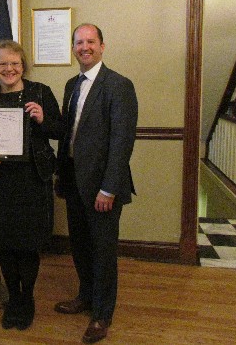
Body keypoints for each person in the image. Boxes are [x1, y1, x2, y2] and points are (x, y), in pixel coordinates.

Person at [54, 24, 138, 344]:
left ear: (102, 46)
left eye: (90, 41)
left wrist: (109, 187)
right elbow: (68, 136)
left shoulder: (119, 86)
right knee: (80, 245)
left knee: (103, 251)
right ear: (73, 48)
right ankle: (85, 297)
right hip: (74, 180)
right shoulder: (70, 85)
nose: (84, 47)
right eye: (79, 42)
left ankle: (102, 314)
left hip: (102, 186)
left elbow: (122, 142)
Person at [0, 40, 64, 330]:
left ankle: (27, 299)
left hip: (32, 181)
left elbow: (59, 130)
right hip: (0, 181)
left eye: (14, 63)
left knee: (28, 245)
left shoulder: (40, 92)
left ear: (23, 66)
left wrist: (43, 118)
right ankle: (13, 298)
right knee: (5, 243)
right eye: (2, 63)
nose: (9, 69)